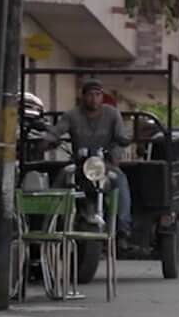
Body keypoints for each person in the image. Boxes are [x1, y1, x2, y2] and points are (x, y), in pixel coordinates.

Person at [47, 78, 133, 244]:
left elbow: (121, 137)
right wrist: (48, 140)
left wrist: (116, 153)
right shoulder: (72, 115)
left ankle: (123, 226)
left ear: (102, 97)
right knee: (62, 177)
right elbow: (57, 130)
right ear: (83, 97)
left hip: (104, 165)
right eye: (90, 95)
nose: (94, 99)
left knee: (120, 180)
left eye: (97, 94)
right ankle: (52, 221)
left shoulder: (112, 114)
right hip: (79, 165)